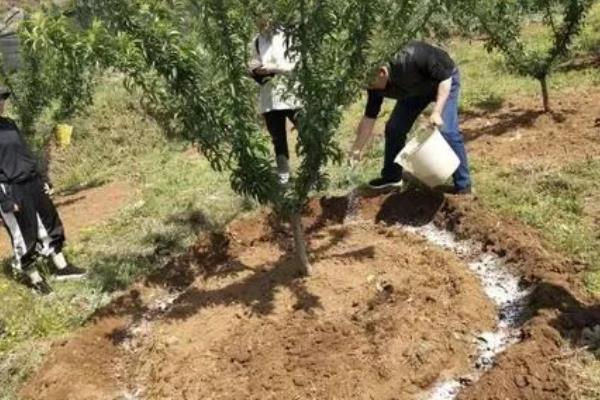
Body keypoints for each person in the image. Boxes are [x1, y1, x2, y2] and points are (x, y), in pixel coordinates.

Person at [349, 40, 472, 194]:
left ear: (382, 72)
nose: (370, 89)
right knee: (395, 128)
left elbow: (445, 78)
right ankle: (392, 178)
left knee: (447, 131)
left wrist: (437, 112)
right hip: (415, 91)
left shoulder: (411, 57)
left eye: (371, 85)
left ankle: (463, 186)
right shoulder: (374, 84)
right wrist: (357, 149)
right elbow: (369, 118)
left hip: (443, 81)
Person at [0, 86, 85, 294]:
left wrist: (42, 178)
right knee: (23, 233)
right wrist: (4, 200)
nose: (1, 102)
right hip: (10, 188)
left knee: (48, 222)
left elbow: (25, 153)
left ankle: (61, 267)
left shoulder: (9, 124)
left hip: (31, 181)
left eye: (1, 98)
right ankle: (35, 280)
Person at [248, 13, 301, 185]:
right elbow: (254, 62)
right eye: (259, 21)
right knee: (277, 138)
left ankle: (313, 171)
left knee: (306, 132)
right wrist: (254, 69)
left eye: (265, 19)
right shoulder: (257, 41)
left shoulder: (288, 35)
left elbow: (297, 66)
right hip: (269, 97)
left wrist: (275, 68)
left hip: (292, 95)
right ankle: (284, 176)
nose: (263, 24)